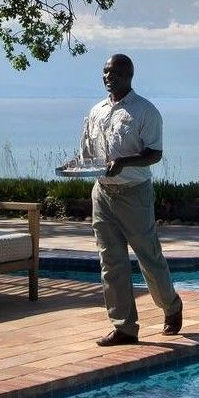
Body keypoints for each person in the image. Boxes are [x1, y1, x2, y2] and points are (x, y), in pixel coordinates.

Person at [77, 54, 183, 346]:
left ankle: (171, 306)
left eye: (115, 72)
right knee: (110, 261)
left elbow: (155, 153)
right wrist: (77, 164)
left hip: (134, 193)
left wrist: (125, 162)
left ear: (129, 76)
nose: (108, 77)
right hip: (102, 193)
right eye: (105, 72)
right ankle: (124, 327)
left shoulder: (145, 112)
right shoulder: (96, 111)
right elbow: (88, 153)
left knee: (148, 256)